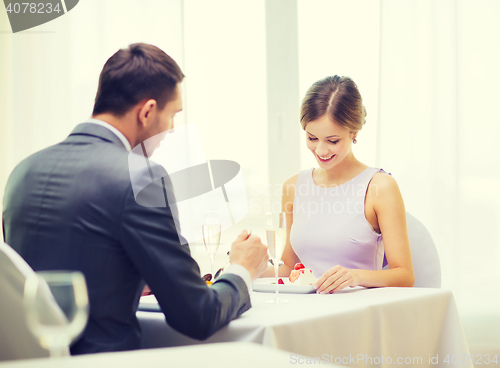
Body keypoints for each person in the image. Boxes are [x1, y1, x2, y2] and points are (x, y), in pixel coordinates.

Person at [2, 43, 268, 355]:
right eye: (172, 116)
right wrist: (242, 269)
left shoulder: (23, 171)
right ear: (147, 111)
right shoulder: (141, 177)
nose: (171, 130)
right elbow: (198, 315)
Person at [263, 75, 414, 293]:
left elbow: (405, 275)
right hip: (302, 309)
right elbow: (288, 268)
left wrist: (354, 276)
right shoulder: (293, 188)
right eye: (312, 138)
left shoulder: (380, 187)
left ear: (354, 133)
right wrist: (245, 269)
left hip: (357, 311)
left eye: (332, 141)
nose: (321, 151)